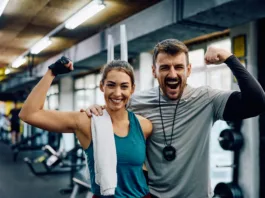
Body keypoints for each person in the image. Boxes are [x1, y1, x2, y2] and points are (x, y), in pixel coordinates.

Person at [84, 39, 265, 198]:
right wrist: (98, 109)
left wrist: (229, 58)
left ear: (189, 69)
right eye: (164, 67)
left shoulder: (208, 99)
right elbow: (113, 112)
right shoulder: (136, 102)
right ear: (154, 71)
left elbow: (256, 102)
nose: (172, 74)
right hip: (151, 195)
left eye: (178, 67)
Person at [19, 57, 153, 198]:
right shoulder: (87, 121)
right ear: (102, 86)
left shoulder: (144, 125)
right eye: (111, 85)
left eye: (124, 86)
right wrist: (51, 72)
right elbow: (29, 114)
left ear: (132, 89)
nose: (117, 93)